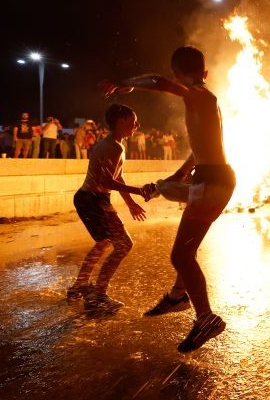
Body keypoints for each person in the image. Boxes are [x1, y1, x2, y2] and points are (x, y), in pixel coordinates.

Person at [100, 45, 237, 352]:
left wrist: (127, 83)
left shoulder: (201, 96)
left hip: (212, 181)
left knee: (181, 255)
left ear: (179, 74)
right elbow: (200, 150)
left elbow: (160, 82)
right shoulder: (205, 104)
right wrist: (175, 177)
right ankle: (178, 294)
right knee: (187, 246)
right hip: (212, 177)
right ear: (205, 72)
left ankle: (205, 318)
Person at [67, 104, 153, 310]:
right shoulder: (113, 146)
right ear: (121, 121)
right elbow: (107, 182)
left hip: (92, 199)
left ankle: (80, 285)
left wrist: (131, 203)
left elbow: (117, 177)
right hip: (93, 200)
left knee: (105, 242)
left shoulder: (114, 144)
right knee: (123, 245)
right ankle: (98, 295)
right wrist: (139, 191)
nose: (137, 125)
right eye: (134, 120)